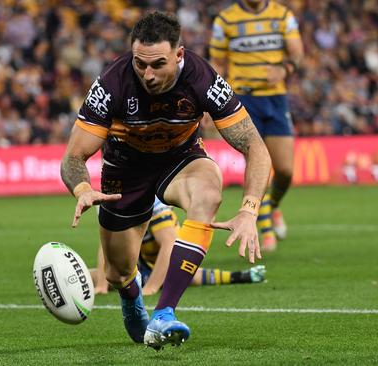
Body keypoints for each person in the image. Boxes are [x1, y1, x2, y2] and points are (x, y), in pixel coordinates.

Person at [61, 11, 271, 349]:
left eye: (158, 64)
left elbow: (255, 147)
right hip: (124, 171)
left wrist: (248, 209)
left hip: (179, 159)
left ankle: (164, 313)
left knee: (208, 191)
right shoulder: (111, 84)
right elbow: (73, 157)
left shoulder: (203, 79)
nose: (148, 74)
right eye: (140, 64)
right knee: (117, 274)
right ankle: (131, 298)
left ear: (179, 54)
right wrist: (83, 188)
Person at [209, 0, 304, 250]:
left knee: (285, 170)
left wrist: (286, 69)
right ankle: (263, 225)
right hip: (244, 99)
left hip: (275, 98)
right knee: (259, 161)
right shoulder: (225, 19)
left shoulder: (282, 15)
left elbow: (297, 52)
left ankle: (272, 207)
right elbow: (217, 62)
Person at [90, 197, 267, 295]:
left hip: (164, 260)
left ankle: (242, 276)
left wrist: (151, 287)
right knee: (91, 276)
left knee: (186, 275)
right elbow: (107, 244)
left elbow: (169, 244)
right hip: (137, 261)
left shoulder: (153, 200)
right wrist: (102, 285)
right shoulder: (109, 196)